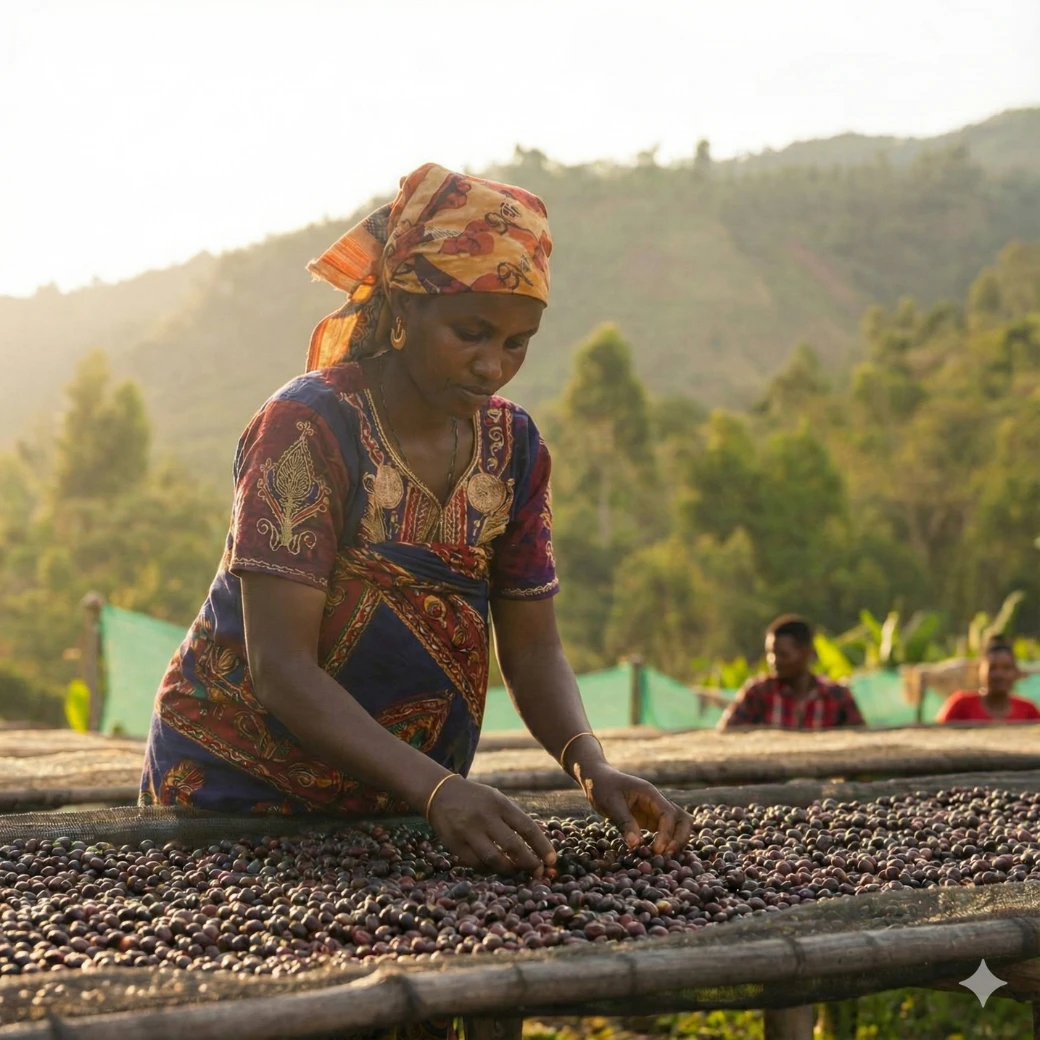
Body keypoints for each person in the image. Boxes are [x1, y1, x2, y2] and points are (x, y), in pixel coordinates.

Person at [141, 163, 692, 878]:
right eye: (471, 333)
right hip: (237, 792)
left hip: (405, 805)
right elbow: (280, 668)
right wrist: (435, 789)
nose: (493, 364)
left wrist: (593, 769)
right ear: (402, 313)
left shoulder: (515, 449)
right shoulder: (307, 429)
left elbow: (531, 651)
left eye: (517, 342)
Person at [717, 614, 865, 730]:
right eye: (770, 653)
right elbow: (727, 735)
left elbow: (859, 740)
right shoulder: (758, 693)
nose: (773, 661)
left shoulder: (837, 696)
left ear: (807, 654)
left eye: (783, 654)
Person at [936, 637, 1040, 724]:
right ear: (979, 671)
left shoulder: (1028, 710)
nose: (999, 674)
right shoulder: (960, 705)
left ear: (1016, 672)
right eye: (992, 668)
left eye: (1006, 668)